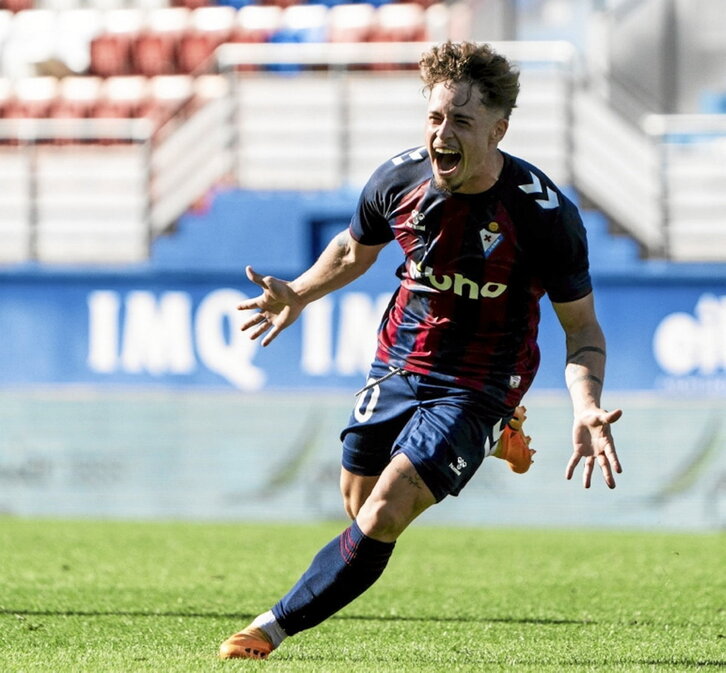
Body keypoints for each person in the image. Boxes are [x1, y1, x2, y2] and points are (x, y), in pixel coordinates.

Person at [219, 40, 623, 660]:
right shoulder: (399, 179)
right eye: (435, 118)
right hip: (400, 360)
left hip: (482, 380)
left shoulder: (544, 216)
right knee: (357, 503)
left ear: (498, 130)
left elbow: (583, 331)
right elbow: (355, 251)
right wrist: (298, 293)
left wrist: (586, 404)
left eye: (461, 121)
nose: (443, 133)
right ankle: (499, 434)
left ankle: (268, 629)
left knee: (383, 513)